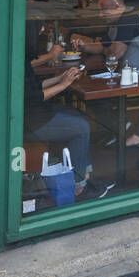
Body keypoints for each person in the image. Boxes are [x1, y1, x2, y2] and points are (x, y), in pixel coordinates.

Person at [25, 56, 93, 197]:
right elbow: (31, 98)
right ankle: (77, 186)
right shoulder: (17, 59)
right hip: (29, 122)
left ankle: (85, 175)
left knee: (80, 116)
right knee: (81, 127)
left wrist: (60, 78)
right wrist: (63, 85)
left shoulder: (21, 58)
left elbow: (35, 87)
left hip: (36, 114)